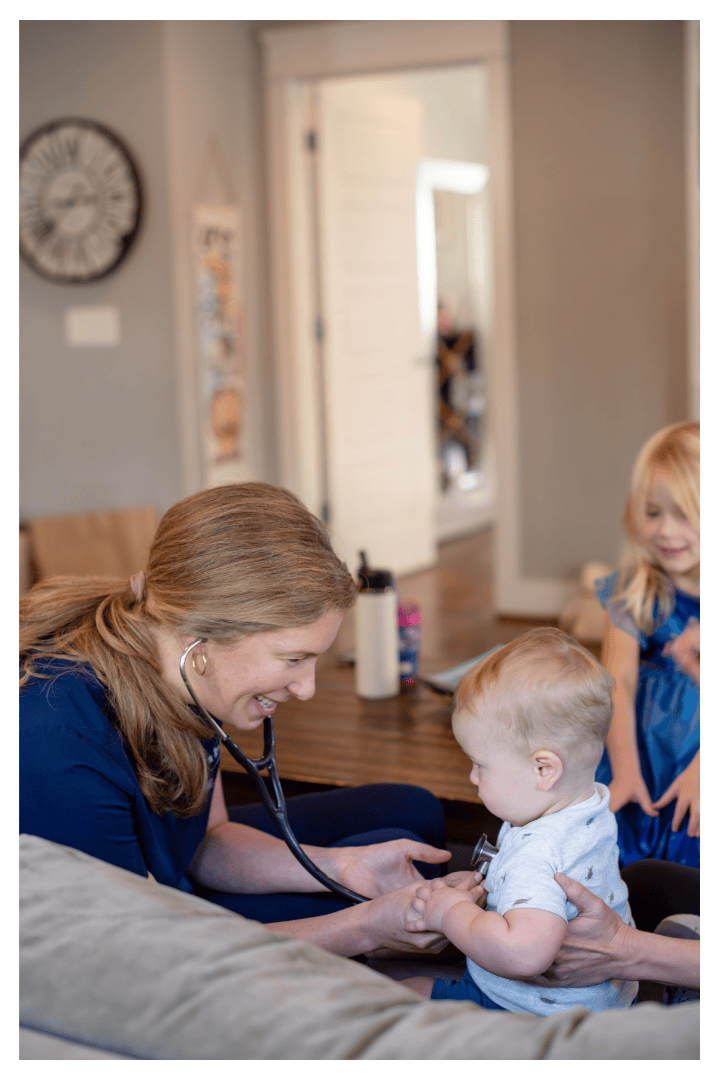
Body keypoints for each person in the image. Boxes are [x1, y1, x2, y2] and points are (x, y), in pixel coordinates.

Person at [20, 482, 469, 957]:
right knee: (404, 901)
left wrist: (341, 865)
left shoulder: (188, 669)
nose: (307, 688)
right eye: (293, 659)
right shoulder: (58, 741)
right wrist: (363, 929)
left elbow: (204, 839)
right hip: (131, 952)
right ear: (202, 636)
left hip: (163, 890)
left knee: (407, 819)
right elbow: (144, 958)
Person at [400, 628, 637, 1014]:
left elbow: (524, 954)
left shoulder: (537, 851)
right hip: (603, 1002)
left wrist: (450, 913)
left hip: (529, 1012)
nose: (472, 777)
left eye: (480, 764)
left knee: (399, 996)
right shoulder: (590, 801)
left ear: (544, 769)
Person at [594, 421, 699, 868]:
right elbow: (617, 679)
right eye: (653, 513)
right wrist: (626, 771)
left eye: (685, 513)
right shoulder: (635, 588)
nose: (666, 531)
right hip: (636, 754)